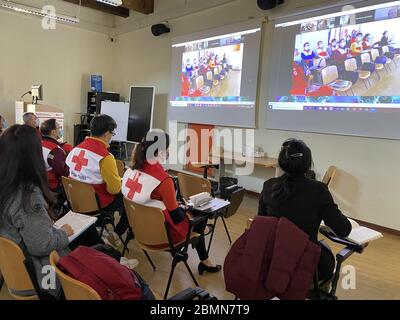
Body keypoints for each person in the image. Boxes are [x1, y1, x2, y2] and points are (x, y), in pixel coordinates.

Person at [121, 130, 222, 275]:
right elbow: (176, 217)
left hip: (139, 230)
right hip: (163, 236)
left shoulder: (130, 170)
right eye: (168, 147)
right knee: (201, 215)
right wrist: (186, 209)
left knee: (191, 213)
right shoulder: (164, 180)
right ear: (161, 151)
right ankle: (204, 255)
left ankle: (205, 258)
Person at [258, 139, 351, 282]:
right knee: (327, 260)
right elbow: (344, 230)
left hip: (273, 259)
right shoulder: (318, 190)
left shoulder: (268, 186)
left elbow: (262, 224)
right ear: (308, 164)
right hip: (305, 262)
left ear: (282, 162)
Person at [66, 115, 129, 246]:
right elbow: (114, 189)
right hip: (95, 204)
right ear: (106, 134)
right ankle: (115, 234)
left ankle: (100, 227)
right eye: (112, 133)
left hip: (75, 201)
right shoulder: (105, 157)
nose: (112, 136)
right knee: (127, 199)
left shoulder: (75, 149)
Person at [40, 119, 69, 191]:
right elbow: (64, 171)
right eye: (59, 128)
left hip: (40, 184)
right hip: (53, 188)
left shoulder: (38, 143)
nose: (61, 130)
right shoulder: (55, 150)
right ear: (53, 132)